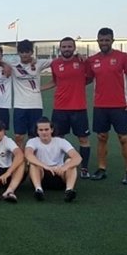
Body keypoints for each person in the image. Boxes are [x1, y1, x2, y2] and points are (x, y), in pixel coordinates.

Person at [86, 27, 127, 184]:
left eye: (107, 40)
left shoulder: (122, 57)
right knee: (101, 137)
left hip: (120, 105)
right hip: (100, 106)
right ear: (97, 41)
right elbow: (87, 79)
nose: (104, 43)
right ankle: (101, 168)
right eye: (101, 40)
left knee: (123, 138)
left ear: (112, 41)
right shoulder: (92, 60)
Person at [43, 37, 92, 179]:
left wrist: (78, 84)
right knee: (57, 138)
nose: (67, 49)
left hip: (79, 107)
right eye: (64, 47)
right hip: (60, 108)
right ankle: (57, 165)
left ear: (74, 48)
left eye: (69, 46)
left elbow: (89, 78)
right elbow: (55, 81)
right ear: (60, 48)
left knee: (83, 139)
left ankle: (84, 168)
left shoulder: (82, 62)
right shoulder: (55, 63)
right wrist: (39, 89)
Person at [5, 39, 53, 149]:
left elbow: (58, 61)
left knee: (33, 136)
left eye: (27, 52)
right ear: (18, 53)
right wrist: (5, 65)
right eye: (22, 52)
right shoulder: (13, 64)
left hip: (35, 105)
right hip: (19, 105)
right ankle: (20, 157)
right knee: (19, 136)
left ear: (31, 52)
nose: (24, 54)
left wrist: (77, 55)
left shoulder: (39, 63)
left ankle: (31, 158)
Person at [25, 117, 81, 202]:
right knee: (33, 164)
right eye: (41, 130)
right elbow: (28, 155)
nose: (44, 132)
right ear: (37, 131)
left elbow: (77, 157)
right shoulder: (32, 141)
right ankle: (38, 190)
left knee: (70, 161)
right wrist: (46, 166)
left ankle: (69, 190)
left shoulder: (61, 141)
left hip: (59, 174)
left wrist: (64, 167)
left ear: (52, 130)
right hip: (41, 175)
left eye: (46, 129)